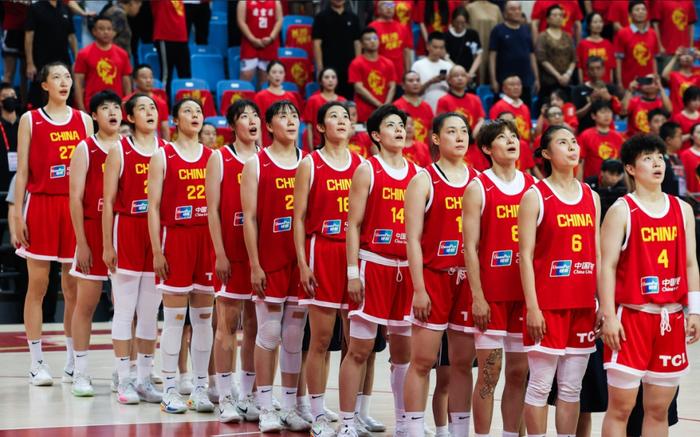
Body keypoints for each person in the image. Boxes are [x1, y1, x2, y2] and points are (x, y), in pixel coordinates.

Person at [599, 134, 700, 436]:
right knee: (621, 408)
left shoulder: (682, 209)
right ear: (630, 168)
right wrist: (608, 316)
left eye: (660, 157)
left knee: (658, 410)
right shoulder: (622, 210)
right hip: (632, 318)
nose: (657, 163)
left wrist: (695, 311)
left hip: (671, 318)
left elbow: (691, 263)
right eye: (647, 158)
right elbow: (606, 266)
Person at [338, 105, 417, 436]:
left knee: (404, 355)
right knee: (359, 350)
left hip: (407, 270)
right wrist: (352, 272)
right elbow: (353, 225)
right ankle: (346, 423)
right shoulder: (367, 170)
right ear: (375, 135)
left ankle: (404, 423)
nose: (399, 130)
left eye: (401, 125)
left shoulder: (417, 174)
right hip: (373, 265)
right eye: (391, 125)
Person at [518, 125, 601, 437]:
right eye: (563, 143)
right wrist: (532, 307)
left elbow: (597, 253)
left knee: (571, 388)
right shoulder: (535, 196)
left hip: (583, 305)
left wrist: (601, 303)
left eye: (574, 142)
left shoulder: (592, 196)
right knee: (540, 386)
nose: (572, 147)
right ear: (546, 154)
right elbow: (525, 256)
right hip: (547, 306)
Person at [14, 62, 93, 386]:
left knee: (72, 289)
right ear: (44, 85)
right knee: (38, 285)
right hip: (41, 205)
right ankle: (36, 363)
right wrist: (16, 214)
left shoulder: (84, 120)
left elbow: (92, 171)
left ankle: (73, 361)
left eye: (67, 77)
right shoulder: (30, 119)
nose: (64, 82)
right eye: (56, 77)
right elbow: (22, 171)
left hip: (74, 208)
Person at [402, 112, 477, 437]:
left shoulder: (478, 181)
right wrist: (419, 289)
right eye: (451, 132)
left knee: (461, 364)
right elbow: (412, 240)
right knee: (422, 361)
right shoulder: (423, 180)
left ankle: (458, 431)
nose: (459, 137)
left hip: (468, 281)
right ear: (435, 138)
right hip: (434, 278)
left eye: (464, 132)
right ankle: (413, 429)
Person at [240, 100, 310, 432]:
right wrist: (255, 264)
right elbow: (249, 219)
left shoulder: (308, 162)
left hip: (301, 262)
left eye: (294, 116)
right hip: (270, 261)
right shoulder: (256, 163)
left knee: (294, 336)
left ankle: (291, 405)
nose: (291, 121)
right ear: (268, 126)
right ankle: (265, 406)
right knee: (268, 333)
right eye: (283, 117)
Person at [293, 101, 363, 436]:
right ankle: (318, 412)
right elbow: (298, 218)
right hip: (321, 250)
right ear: (320, 127)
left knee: (356, 342)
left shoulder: (362, 164)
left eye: (346, 116)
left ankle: (353, 414)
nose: (342, 121)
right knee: (320, 340)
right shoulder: (310, 163)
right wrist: (302, 262)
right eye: (334, 116)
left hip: (353, 256)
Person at [463, 118, 534, 437]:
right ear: (487, 148)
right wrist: (477, 297)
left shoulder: (533, 186)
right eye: (503, 137)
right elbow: (470, 247)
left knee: (519, 374)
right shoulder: (478, 187)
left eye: (514, 136)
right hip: (492, 296)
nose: (511, 141)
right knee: (490, 373)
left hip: (523, 296)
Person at [147, 98, 214, 414]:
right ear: (175, 120)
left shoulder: (213, 157)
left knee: (203, 320)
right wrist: (156, 250)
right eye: (188, 111)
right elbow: (153, 208)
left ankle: (200, 388)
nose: (195, 115)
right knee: (174, 320)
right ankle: (170, 389)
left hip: (207, 240)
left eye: (198, 111)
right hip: (175, 239)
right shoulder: (162, 155)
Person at [102, 93, 166, 405]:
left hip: (157, 236)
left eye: (152, 107)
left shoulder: (166, 151)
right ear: (130, 117)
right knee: (125, 310)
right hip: (126, 230)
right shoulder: (119, 150)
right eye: (142, 108)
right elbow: (107, 202)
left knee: (150, 312)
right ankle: (124, 378)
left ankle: (144, 378)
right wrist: (106, 245)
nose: (149, 112)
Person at [204, 99, 262, 423]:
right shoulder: (220, 158)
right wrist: (220, 253)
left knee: (255, 325)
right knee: (227, 323)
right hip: (230, 251)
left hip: (259, 255)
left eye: (255, 115)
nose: (251, 120)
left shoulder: (266, 159)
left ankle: (248, 394)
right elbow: (212, 210)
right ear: (232, 125)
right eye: (244, 116)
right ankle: (225, 396)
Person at [68, 90, 123, 397]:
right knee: (86, 304)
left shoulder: (129, 147)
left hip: (122, 231)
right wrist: (82, 242)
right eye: (105, 108)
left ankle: (123, 371)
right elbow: (75, 198)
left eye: (116, 107)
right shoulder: (85, 148)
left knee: (125, 307)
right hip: (91, 229)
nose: (112, 112)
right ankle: (80, 371)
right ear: (94, 116)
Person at [24, 0, 78, 109]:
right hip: (41, 61)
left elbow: (71, 36)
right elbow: (29, 35)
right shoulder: (35, 8)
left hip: (63, 61)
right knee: (39, 96)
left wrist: (77, 59)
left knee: (65, 93)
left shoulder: (65, 9)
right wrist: (30, 63)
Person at [73, 15, 132, 113]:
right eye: (101, 29)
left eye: (109, 29)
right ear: (94, 31)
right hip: (92, 105)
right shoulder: (84, 54)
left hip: (117, 105)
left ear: (113, 32)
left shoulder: (122, 54)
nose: (106, 32)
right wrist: (81, 108)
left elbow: (126, 82)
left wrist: (126, 104)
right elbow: (78, 82)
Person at [488, 1, 539, 105]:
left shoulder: (526, 30)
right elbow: (492, 56)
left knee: (524, 110)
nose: (517, 12)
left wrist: (536, 78)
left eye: (519, 9)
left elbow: (531, 55)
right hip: (505, 80)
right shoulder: (498, 30)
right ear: (505, 13)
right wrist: (493, 80)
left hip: (525, 80)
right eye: (512, 9)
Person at [312, 0, 361, 100]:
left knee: (348, 100)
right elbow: (317, 43)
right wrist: (320, 68)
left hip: (349, 67)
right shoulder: (321, 17)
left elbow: (357, 43)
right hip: (329, 66)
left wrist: (358, 65)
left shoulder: (353, 17)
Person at [349, 28, 397, 124]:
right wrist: (380, 105)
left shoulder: (388, 63)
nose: (372, 41)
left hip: (384, 114)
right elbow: (359, 88)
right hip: (364, 114)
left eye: (375, 38)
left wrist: (386, 106)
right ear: (362, 44)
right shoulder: (356, 63)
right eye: (368, 39)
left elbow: (392, 86)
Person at [254, 61, 303, 146]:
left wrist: (296, 145)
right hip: (267, 144)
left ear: (284, 75)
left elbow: (295, 122)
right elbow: (257, 123)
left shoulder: (291, 97)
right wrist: (259, 145)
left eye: (280, 72)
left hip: (288, 144)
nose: (277, 75)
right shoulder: (260, 96)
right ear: (267, 75)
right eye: (274, 72)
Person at [535, 4, 576, 102]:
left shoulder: (568, 36)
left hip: (566, 80)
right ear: (548, 19)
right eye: (554, 15)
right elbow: (542, 59)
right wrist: (558, 76)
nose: (558, 17)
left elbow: (574, 59)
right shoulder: (543, 36)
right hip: (549, 81)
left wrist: (567, 75)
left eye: (560, 15)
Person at [614, 0, 659, 89]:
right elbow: (618, 61)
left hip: (649, 85)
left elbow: (653, 59)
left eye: (643, 9)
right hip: (630, 84)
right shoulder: (622, 33)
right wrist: (619, 83)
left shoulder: (653, 33)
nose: (640, 12)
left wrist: (655, 78)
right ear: (630, 14)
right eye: (637, 10)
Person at [237, 0, 282, 85]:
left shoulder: (276, 2)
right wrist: (252, 39)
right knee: (246, 75)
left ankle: (262, 94)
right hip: (249, 44)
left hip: (269, 45)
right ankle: (243, 94)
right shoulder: (243, 1)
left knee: (265, 79)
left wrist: (271, 38)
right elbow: (241, 21)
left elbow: (279, 20)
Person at [572, 56, 622, 133]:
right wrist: (590, 103)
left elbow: (622, 113)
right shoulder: (578, 89)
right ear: (586, 71)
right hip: (585, 132)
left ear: (603, 70)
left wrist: (610, 98)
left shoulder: (611, 88)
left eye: (598, 68)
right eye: (591, 69)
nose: (595, 72)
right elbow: (575, 116)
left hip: (608, 132)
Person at [577, 100, 625, 180]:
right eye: (602, 112)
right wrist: (580, 184)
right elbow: (580, 162)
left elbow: (621, 162)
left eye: (609, 112)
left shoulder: (618, 137)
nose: (607, 115)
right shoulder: (585, 135)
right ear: (593, 116)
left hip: (614, 182)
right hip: (591, 182)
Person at [151, 0, 190, 95]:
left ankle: (186, 100)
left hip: (182, 38)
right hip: (165, 37)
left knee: (186, 74)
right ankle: (163, 100)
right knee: (166, 74)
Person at [368, 0, 412, 84]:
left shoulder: (402, 27)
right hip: (379, 73)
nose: (389, 8)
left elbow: (406, 52)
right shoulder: (372, 28)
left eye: (391, 5)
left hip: (399, 73)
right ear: (378, 9)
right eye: (385, 5)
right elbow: (369, 53)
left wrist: (408, 72)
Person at [436, 65, 485, 138]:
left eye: (463, 75)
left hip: (473, 141)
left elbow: (481, 120)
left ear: (467, 78)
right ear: (449, 80)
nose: (460, 78)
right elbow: (441, 124)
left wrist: (472, 135)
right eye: (456, 76)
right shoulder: (443, 100)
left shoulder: (475, 99)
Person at [304, 68, 346, 150]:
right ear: (320, 81)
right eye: (326, 77)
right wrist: (311, 149)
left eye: (333, 77)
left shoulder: (343, 101)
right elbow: (309, 127)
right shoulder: (313, 100)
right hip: (318, 146)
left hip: (338, 146)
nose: (330, 80)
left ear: (337, 81)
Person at [124, 64, 170, 140]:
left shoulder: (161, 103)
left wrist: (166, 146)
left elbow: (164, 128)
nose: (148, 80)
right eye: (144, 77)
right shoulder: (126, 102)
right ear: (135, 80)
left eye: (151, 77)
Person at [411, 32, 453, 112]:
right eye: (435, 47)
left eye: (441, 48)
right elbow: (413, 92)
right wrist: (431, 82)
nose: (438, 50)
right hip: (424, 107)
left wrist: (449, 82)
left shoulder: (448, 66)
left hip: (445, 108)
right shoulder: (418, 65)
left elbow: (455, 92)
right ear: (428, 46)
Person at [445, 7, 482, 88]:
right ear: (452, 21)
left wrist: (470, 74)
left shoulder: (472, 34)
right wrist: (461, 74)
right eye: (457, 22)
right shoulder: (446, 36)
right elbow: (445, 57)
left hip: (470, 75)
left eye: (463, 23)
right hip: (454, 75)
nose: (459, 26)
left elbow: (478, 55)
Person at [489, 75, 532, 145]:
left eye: (518, 84)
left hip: (525, 147)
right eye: (512, 85)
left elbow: (529, 130)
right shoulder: (498, 107)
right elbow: (494, 132)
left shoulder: (525, 107)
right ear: (504, 88)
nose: (516, 87)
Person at [393, 71, 434, 145]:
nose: (415, 83)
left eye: (418, 80)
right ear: (403, 85)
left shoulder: (427, 106)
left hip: (424, 150)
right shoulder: (397, 106)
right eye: (411, 81)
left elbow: (431, 131)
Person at [577, 12, 616, 83]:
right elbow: (580, 67)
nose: (598, 24)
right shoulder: (583, 44)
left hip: (604, 84)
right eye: (595, 22)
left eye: (600, 22)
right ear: (589, 25)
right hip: (588, 83)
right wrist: (582, 85)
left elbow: (611, 68)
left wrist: (610, 84)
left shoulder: (608, 44)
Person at [661, 47, 700, 114]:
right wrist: (675, 57)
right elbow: (664, 75)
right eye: (683, 55)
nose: (687, 57)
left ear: (694, 59)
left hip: (695, 115)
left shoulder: (697, 77)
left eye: (690, 55)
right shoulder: (674, 75)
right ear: (679, 59)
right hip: (677, 113)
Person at [1, 0, 29, 87]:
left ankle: (24, 96)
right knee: (8, 73)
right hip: (11, 31)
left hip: (27, 31)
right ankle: (6, 95)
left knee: (25, 74)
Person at [660, 121, 688, 197]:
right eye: (679, 136)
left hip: (680, 199)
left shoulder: (677, 158)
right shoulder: (660, 161)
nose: (682, 139)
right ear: (669, 140)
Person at [680, 122, 700, 195]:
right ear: (691, 136)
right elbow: (681, 178)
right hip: (691, 197)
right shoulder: (685, 155)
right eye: (699, 132)